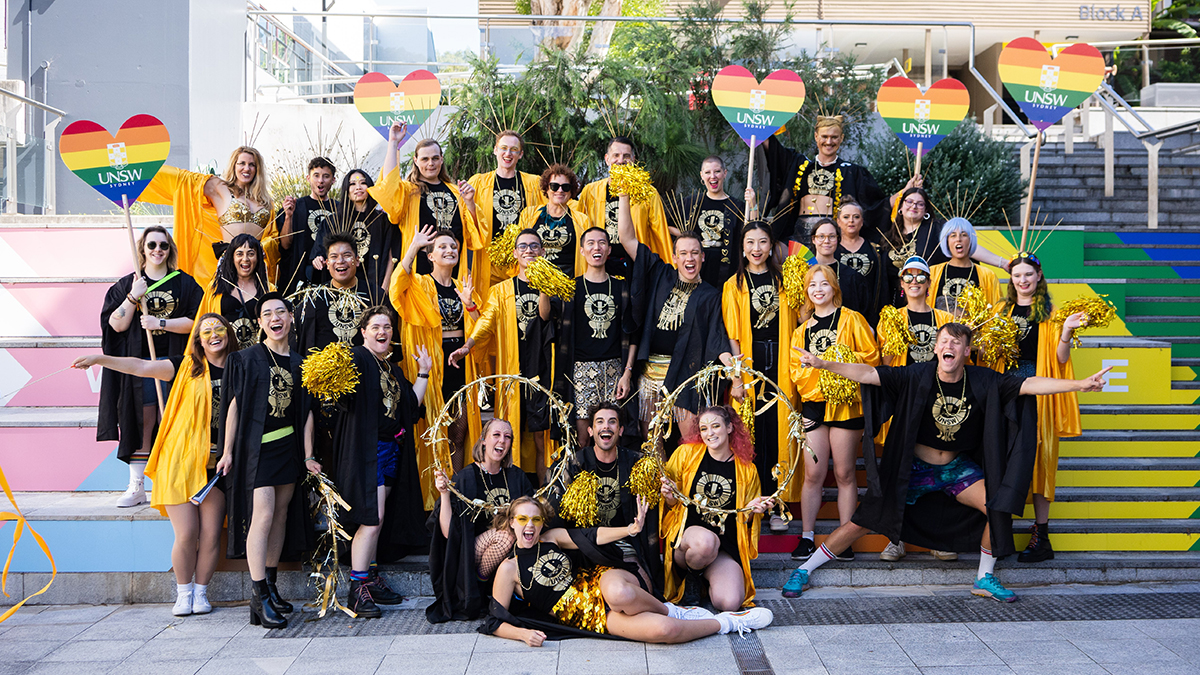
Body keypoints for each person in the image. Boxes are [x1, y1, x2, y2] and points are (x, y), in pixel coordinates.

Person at [782, 323, 1111, 602]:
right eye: (943, 341)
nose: (949, 345)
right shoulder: (916, 375)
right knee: (862, 520)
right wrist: (824, 365)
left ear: (967, 351)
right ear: (936, 348)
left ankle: (984, 578)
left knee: (996, 507)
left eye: (956, 341)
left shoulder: (982, 379)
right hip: (914, 469)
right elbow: (868, 373)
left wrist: (1079, 385)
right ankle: (803, 570)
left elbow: (1029, 384)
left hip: (956, 470)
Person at [73, 313, 236, 616]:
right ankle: (183, 592)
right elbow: (141, 366)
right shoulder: (185, 366)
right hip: (181, 463)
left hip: (217, 464)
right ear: (198, 340)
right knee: (187, 533)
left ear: (228, 333)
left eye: (219, 329)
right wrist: (100, 358)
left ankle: (201, 593)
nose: (213, 335)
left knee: (213, 534)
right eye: (206, 331)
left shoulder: (241, 367)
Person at [483, 495, 774, 644]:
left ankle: (675, 609)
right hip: (592, 620)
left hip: (603, 582)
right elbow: (495, 622)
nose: (530, 525)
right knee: (664, 631)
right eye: (522, 519)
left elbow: (591, 536)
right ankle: (729, 623)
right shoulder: (509, 570)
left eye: (535, 519)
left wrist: (630, 529)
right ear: (511, 522)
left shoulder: (551, 537)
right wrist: (523, 635)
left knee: (619, 593)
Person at [317, 306, 433, 617]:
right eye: (376, 326)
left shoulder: (391, 368)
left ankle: (369, 576)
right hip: (367, 452)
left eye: (388, 327)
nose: (383, 331)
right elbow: (335, 395)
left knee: (379, 518)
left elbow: (410, 405)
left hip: (390, 452)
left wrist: (423, 371)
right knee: (372, 519)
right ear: (364, 332)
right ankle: (358, 589)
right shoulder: (358, 359)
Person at [216, 292, 315, 629]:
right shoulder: (246, 359)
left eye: (281, 312)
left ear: (290, 318)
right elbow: (232, 407)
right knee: (264, 515)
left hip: (287, 450)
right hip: (257, 452)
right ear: (260, 322)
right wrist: (226, 451)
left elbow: (305, 415)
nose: (275, 318)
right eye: (268, 313)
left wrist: (309, 454)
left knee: (281, 516)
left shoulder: (301, 363)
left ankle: (270, 587)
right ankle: (258, 597)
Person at [616, 192, 739, 441]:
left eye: (694, 253)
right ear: (674, 258)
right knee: (652, 443)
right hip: (650, 374)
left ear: (703, 257)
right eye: (683, 253)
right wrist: (624, 195)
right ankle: (660, 482)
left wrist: (736, 374)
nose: (689, 258)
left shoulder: (712, 295)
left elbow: (718, 339)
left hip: (686, 377)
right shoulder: (661, 274)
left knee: (691, 442)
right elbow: (626, 238)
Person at [98, 226, 202, 508]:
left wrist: (160, 323)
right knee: (142, 421)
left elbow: (197, 323)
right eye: (152, 245)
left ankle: (173, 481)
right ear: (142, 248)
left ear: (170, 250)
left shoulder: (185, 284)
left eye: (164, 245)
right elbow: (116, 325)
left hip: (175, 363)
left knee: (173, 421)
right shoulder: (127, 284)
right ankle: (137, 486)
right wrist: (133, 297)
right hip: (140, 364)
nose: (158, 250)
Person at [997, 254, 1085, 563]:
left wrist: (1067, 331)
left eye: (1028, 274)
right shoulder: (1000, 311)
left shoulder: (1052, 313)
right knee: (1004, 458)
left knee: (1042, 461)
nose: (1022, 280)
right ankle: (1000, 530)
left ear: (1039, 276)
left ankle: (1041, 535)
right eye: (1017, 275)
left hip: (1040, 392)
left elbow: (1061, 359)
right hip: (1006, 392)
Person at [788, 264, 879, 562]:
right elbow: (796, 374)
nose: (818, 289)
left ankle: (843, 538)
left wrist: (836, 371)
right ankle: (807, 536)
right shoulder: (801, 332)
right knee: (813, 474)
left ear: (834, 289)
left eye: (824, 284)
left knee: (844, 472)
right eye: (812, 285)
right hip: (814, 408)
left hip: (847, 407)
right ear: (807, 292)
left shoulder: (853, 320)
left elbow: (870, 360)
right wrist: (823, 385)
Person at [447, 230, 554, 483]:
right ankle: (510, 491)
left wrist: (545, 285)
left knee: (542, 438)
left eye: (534, 246)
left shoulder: (553, 287)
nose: (528, 250)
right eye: (523, 246)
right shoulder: (502, 290)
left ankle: (544, 493)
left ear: (543, 252)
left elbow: (547, 317)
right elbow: (486, 322)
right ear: (515, 253)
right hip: (513, 369)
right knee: (508, 433)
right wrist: (468, 345)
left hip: (544, 368)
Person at [390, 226, 484, 500]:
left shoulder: (462, 286)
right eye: (442, 247)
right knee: (432, 432)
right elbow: (397, 287)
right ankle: (430, 496)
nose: (450, 250)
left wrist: (469, 305)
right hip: (431, 364)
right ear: (430, 255)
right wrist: (413, 247)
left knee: (458, 432)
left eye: (454, 247)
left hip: (459, 365)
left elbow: (481, 331)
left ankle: (453, 492)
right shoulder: (420, 284)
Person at [874, 256, 957, 563]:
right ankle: (895, 538)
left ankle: (937, 537)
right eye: (908, 277)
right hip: (905, 402)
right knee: (899, 472)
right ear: (901, 283)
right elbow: (885, 364)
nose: (914, 282)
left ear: (929, 282)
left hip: (939, 404)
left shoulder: (944, 318)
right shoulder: (891, 318)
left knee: (937, 470)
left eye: (920, 276)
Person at [721, 221, 798, 531]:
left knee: (778, 436)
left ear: (772, 246)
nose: (756, 248)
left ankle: (777, 503)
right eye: (750, 242)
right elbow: (733, 337)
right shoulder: (733, 285)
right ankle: (752, 501)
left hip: (780, 363)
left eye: (762, 242)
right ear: (742, 246)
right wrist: (737, 378)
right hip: (751, 366)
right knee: (751, 435)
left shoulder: (785, 281)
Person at [660, 406, 775, 611]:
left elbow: (743, 519)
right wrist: (669, 497)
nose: (709, 433)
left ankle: (704, 579)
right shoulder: (686, 454)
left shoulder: (747, 470)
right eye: (704, 429)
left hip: (722, 546)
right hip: (689, 543)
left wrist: (751, 510)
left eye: (715, 426)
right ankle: (691, 578)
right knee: (705, 542)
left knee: (729, 603)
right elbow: (670, 505)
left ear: (730, 427)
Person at [545, 403, 661, 595]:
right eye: (600, 422)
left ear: (621, 430)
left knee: (643, 590)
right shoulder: (572, 464)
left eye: (612, 422)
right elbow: (551, 508)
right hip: (583, 545)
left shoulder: (637, 463)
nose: (606, 426)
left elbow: (652, 517)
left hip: (622, 544)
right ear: (590, 430)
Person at [426, 419, 535, 623]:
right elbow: (448, 532)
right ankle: (476, 586)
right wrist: (444, 494)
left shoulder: (516, 477)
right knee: (505, 535)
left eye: (507, 436)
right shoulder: (466, 477)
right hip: (469, 555)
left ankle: (495, 590)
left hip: (509, 556)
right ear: (483, 440)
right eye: (496, 435)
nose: (502, 440)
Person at [142, 146, 279, 288]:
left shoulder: (265, 201)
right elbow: (183, 179)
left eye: (252, 165)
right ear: (234, 166)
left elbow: (274, 237)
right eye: (242, 163)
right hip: (230, 263)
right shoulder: (220, 188)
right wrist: (138, 172)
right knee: (225, 301)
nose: (247, 168)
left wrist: (266, 245)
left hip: (254, 265)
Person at [549, 227, 635, 443]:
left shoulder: (621, 287)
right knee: (582, 437)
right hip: (580, 369)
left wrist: (627, 373)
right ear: (581, 250)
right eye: (590, 243)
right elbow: (545, 316)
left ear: (609, 250)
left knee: (612, 435)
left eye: (602, 243)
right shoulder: (570, 288)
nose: (596, 247)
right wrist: (543, 286)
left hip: (615, 368)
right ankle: (583, 477)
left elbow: (633, 334)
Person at [762, 115, 896, 248]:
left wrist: (905, 191)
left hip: (830, 237)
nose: (829, 141)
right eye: (824, 136)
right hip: (799, 235)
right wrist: (760, 123)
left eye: (834, 137)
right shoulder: (798, 164)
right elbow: (773, 150)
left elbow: (876, 205)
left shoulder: (852, 172)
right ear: (816, 137)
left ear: (841, 138)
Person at [371, 122, 481, 277]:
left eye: (435, 158)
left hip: (452, 269)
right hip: (419, 267)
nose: (431, 163)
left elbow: (473, 234)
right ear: (415, 160)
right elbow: (389, 185)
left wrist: (470, 203)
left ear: (442, 159)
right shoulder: (409, 191)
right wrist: (393, 143)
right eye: (425, 159)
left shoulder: (456, 192)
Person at [881, 188, 1007, 307]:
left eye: (920, 204)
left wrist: (1003, 263)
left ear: (926, 211)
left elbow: (965, 246)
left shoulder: (936, 229)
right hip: (896, 301)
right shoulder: (888, 236)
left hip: (927, 300)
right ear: (900, 207)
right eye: (909, 201)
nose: (914, 206)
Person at [578, 136, 672, 277]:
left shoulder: (648, 193)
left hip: (635, 264)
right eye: (616, 155)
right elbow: (580, 230)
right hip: (599, 264)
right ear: (607, 159)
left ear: (633, 159)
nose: (621, 161)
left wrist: (668, 273)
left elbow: (660, 235)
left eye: (626, 156)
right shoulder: (590, 192)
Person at [465, 130, 545, 295]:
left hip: (522, 262)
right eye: (503, 148)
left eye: (514, 149)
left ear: (520, 154)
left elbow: (552, 208)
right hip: (488, 263)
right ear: (495, 150)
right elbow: (467, 224)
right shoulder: (479, 183)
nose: (508, 154)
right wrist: (470, 202)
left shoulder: (533, 183)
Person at [316, 169, 400, 299]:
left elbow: (391, 257)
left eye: (363, 183)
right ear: (346, 190)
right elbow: (321, 253)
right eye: (353, 184)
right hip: (341, 291)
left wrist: (383, 290)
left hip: (375, 287)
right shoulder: (332, 221)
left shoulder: (383, 220)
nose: (358, 187)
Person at [297, 232, 375, 353]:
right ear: (327, 264)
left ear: (357, 260)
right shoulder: (315, 297)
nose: (340, 261)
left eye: (346, 255)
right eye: (334, 257)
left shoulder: (374, 295)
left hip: (363, 369)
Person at [197, 233, 273, 351]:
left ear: (258, 257)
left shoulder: (268, 289)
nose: (245, 259)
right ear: (231, 257)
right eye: (239, 254)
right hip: (224, 355)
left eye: (251, 254)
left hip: (258, 356)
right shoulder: (215, 288)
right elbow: (201, 324)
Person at [516, 164, 590, 276]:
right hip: (534, 280)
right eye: (555, 186)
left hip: (569, 283)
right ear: (546, 188)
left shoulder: (582, 220)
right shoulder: (529, 214)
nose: (560, 190)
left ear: (571, 191)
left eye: (565, 187)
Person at [682, 156, 746, 287]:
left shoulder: (737, 206)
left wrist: (753, 205)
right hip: (696, 265)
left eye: (717, 171)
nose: (713, 176)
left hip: (727, 269)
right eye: (707, 172)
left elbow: (752, 229)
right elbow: (667, 225)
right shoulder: (691, 202)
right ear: (701, 175)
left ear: (725, 173)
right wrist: (686, 238)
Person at [277, 157, 336, 294]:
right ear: (308, 178)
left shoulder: (339, 209)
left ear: (333, 180)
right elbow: (285, 245)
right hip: (297, 276)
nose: (320, 180)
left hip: (330, 277)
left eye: (326, 176)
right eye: (316, 176)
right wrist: (288, 217)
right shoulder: (296, 207)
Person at [808, 218, 875, 326]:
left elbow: (866, 315)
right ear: (813, 239)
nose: (826, 241)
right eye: (821, 236)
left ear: (838, 239)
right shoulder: (804, 273)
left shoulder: (853, 276)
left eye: (832, 236)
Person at [928, 218, 1001, 315]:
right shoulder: (932, 272)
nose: (958, 239)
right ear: (946, 241)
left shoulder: (988, 275)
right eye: (953, 235)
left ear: (971, 240)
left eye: (964, 235)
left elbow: (996, 311)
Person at [835, 198, 887, 327]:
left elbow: (881, 282)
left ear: (862, 221)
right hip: (838, 311)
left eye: (856, 217)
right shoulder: (831, 249)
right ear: (838, 221)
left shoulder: (875, 250)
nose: (851, 221)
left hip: (869, 313)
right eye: (846, 217)